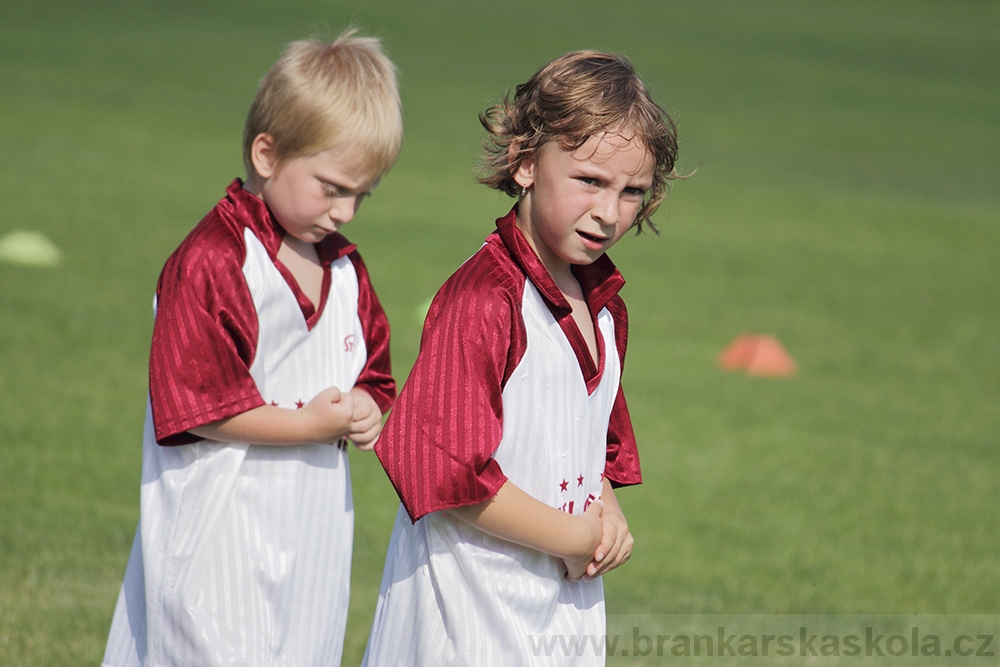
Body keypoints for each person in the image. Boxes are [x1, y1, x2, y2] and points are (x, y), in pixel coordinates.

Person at [362, 50, 679, 665]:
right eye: (590, 180)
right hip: (466, 615)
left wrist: (606, 511)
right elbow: (442, 473)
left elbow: (583, 447)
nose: (609, 212)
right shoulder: (485, 299)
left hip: (560, 610)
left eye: (632, 192)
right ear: (526, 163)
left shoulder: (606, 307)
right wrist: (573, 535)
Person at [102, 29, 402, 667]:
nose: (346, 211)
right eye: (331, 187)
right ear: (267, 154)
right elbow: (199, 407)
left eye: (362, 194)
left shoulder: (345, 270)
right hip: (217, 539)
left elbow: (374, 375)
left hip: (312, 540)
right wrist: (310, 425)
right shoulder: (214, 261)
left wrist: (368, 408)